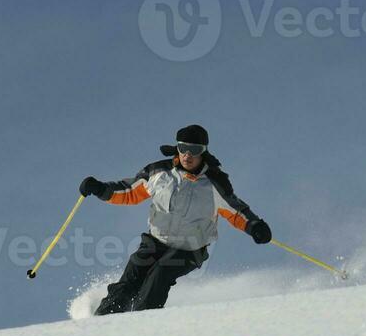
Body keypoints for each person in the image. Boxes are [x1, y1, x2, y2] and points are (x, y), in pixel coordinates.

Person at [79, 125, 272, 315]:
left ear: (203, 152)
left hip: (190, 249)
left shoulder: (214, 183)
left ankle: (140, 324)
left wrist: (254, 226)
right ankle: (100, 323)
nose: (187, 155)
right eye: (183, 148)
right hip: (155, 242)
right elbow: (129, 192)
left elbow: (235, 210)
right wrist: (100, 189)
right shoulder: (158, 173)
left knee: (160, 274)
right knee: (132, 277)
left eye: (194, 150)